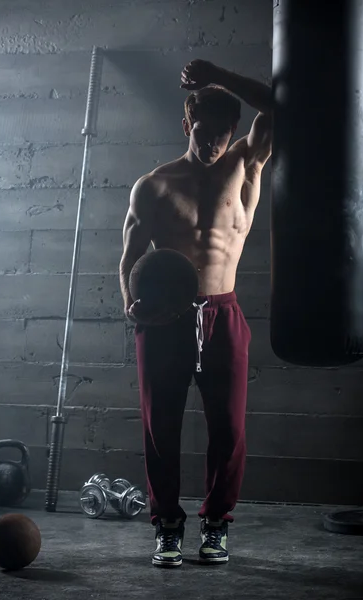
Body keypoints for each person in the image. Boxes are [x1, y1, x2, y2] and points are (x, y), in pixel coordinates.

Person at [119, 59, 272, 567]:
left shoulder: (246, 163)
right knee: (160, 428)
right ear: (187, 126)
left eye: (221, 135)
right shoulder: (154, 186)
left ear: (234, 132)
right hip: (166, 318)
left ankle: (215, 526)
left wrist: (222, 77)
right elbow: (128, 258)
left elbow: (280, 108)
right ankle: (166, 528)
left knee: (228, 429)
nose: (211, 145)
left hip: (224, 313)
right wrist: (132, 307)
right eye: (203, 133)